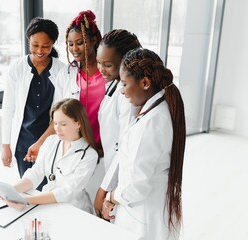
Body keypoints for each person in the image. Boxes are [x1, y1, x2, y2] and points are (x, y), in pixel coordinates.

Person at [101, 48, 186, 239]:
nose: (122, 91)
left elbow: (137, 186)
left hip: (143, 216)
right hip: (149, 209)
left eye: (124, 83)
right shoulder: (156, 110)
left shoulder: (152, 122)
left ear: (145, 82)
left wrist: (111, 197)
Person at [0, 98, 99, 213]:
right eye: (55, 123)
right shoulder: (51, 141)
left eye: (63, 124)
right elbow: (36, 173)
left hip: (74, 209)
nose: (57, 128)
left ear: (78, 123)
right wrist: (12, 191)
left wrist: (27, 200)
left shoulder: (89, 155)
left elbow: (68, 191)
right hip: (48, 203)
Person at [1, 17, 65, 190]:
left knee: (48, 189)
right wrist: (6, 145)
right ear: (28, 40)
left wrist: (41, 143)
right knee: (28, 190)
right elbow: (8, 108)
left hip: (50, 142)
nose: (40, 50)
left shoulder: (61, 71)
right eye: (35, 45)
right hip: (22, 143)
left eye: (46, 46)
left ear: (53, 44)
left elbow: (60, 116)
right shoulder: (17, 68)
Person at [94, 29, 141, 217]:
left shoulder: (126, 97)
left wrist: (105, 189)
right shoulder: (114, 84)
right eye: (99, 63)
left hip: (121, 176)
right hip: (111, 167)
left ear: (124, 63)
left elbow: (124, 147)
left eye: (107, 65)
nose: (101, 69)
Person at [55, 10, 104, 156]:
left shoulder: (108, 74)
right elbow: (58, 116)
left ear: (94, 40)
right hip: (77, 149)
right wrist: (41, 143)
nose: (74, 49)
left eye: (80, 43)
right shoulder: (66, 74)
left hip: (105, 148)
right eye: (70, 44)